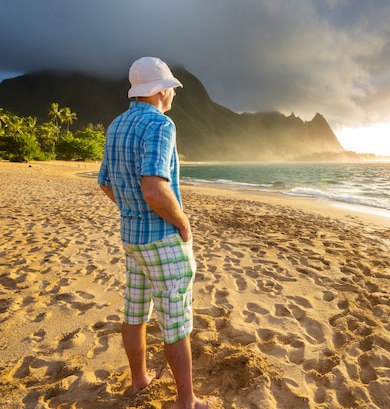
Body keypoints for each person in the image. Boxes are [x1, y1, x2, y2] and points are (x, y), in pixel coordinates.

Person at [98, 56, 216, 409]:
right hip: (162, 239)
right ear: (162, 91)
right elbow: (154, 187)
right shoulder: (161, 125)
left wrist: (129, 208)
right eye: (172, 89)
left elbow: (105, 182)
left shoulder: (116, 125)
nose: (173, 96)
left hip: (132, 237)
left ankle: (139, 381)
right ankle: (186, 401)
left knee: (135, 314)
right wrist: (182, 222)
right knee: (175, 320)